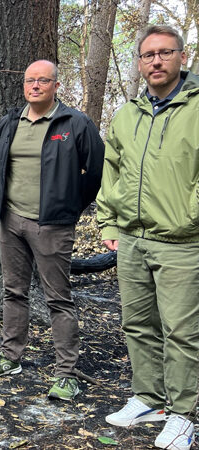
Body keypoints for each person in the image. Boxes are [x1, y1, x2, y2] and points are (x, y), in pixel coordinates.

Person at [0, 60, 104, 401]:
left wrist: (68, 208)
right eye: (30, 80)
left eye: (43, 80)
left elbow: (94, 173)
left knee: (58, 299)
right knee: (13, 291)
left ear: (55, 85)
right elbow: (1, 166)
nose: (35, 86)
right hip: (11, 221)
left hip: (52, 225)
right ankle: (10, 357)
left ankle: (66, 373)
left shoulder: (75, 123)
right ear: (24, 85)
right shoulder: (9, 123)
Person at [97, 25, 198, 450]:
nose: (156, 61)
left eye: (165, 53)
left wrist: (192, 215)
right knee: (138, 324)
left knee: (181, 331)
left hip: (182, 240)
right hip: (132, 239)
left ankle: (183, 415)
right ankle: (150, 398)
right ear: (139, 62)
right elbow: (111, 173)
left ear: (182, 56)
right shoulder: (126, 114)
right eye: (148, 55)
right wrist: (107, 223)